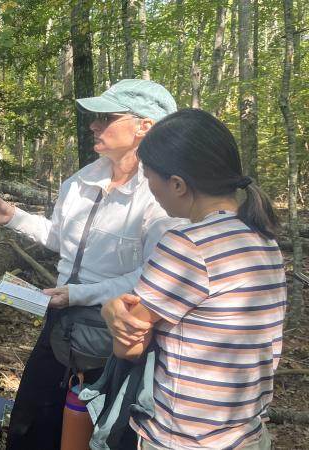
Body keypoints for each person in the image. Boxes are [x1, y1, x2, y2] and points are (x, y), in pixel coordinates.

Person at [0, 79, 183, 449]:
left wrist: (80, 294)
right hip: (60, 323)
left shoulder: (161, 195)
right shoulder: (81, 181)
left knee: (100, 432)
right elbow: (61, 238)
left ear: (144, 126)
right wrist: (14, 216)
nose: (94, 125)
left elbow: (154, 275)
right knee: (30, 424)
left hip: (118, 331)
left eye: (106, 117)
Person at [102, 109, 285, 450]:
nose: (149, 186)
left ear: (177, 184)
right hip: (246, 433)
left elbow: (128, 345)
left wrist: (108, 309)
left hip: (183, 437)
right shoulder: (262, 237)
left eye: (148, 175)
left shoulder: (186, 244)